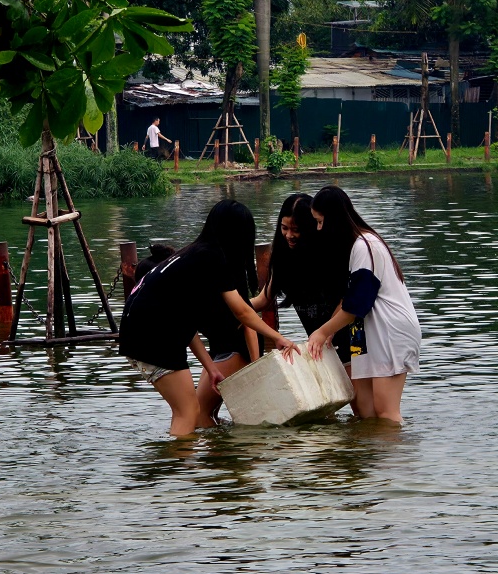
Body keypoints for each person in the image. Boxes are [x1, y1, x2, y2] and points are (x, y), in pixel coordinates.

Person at [120, 200, 297, 436]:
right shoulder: (213, 257)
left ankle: (184, 457)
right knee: (189, 412)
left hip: (135, 331)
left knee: (189, 411)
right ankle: (182, 459)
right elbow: (243, 311)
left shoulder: (193, 254)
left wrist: (211, 368)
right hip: (153, 336)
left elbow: (186, 328)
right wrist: (278, 338)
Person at [306, 186, 421, 424]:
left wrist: (322, 331)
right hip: (362, 334)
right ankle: (371, 449)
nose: (318, 228)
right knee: (364, 410)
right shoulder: (356, 247)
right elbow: (350, 300)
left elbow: (357, 305)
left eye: (320, 222)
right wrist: (332, 329)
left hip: (389, 331)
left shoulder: (365, 245)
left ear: (334, 218)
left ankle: (394, 449)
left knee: (385, 411)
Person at [252, 193, 352, 366]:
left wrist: (327, 331)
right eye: (284, 228)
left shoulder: (331, 255)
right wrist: (233, 308)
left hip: (347, 342)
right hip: (319, 347)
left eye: (296, 230)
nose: (289, 235)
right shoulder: (283, 258)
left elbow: (347, 300)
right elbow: (263, 299)